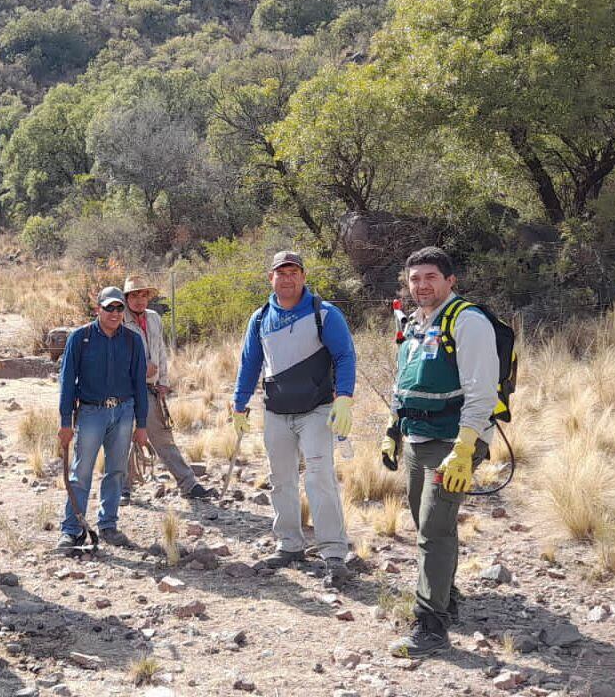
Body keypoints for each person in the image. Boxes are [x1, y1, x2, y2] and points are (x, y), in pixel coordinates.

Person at [384, 247, 497, 657]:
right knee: (427, 524)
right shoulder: (414, 323)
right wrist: (392, 430)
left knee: (433, 528)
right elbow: (404, 381)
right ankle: (447, 596)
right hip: (416, 438)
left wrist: (464, 449)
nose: (421, 285)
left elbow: (483, 390)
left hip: (454, 442)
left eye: (430, 276)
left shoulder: (468, 321)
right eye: (414, 279)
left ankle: (430, 627)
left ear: (451, 280)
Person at [232, 251, 356, 589]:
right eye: (280, 273)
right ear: (270, 278)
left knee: (319, 478)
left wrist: (344, 398)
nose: (287, 279)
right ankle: (289, 545)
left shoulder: (324, 314)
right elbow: (249, 364)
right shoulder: (259, 319)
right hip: (276, 411)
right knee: (281, 479)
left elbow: (345, 355)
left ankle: (333, 554)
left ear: (303, 276)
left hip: (317, 409)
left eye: (293, 272)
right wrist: (238, 404)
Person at [57, 287, 149, 549]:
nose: (115, 313)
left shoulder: (133, 340)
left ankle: (108, 525)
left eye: (120, 308)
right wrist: (65, 422)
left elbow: (139, 384)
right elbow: (67, 382)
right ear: (98, 308)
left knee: (117, 470)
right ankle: (72, 528)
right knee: (81, 471)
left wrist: (141, 424)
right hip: (90, 412)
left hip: (123, 411)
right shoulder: (80, 338)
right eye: (109, 308)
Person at [121, 275, 213, 501]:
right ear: (126, 298)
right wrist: (140, 369)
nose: (140, 300)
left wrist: (163, 380)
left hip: (150, 389)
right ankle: (122, 488)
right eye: (134, 295)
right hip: (125, 390)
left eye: (144, 295)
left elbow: (160, 351)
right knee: (122, 439)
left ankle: (188, 484)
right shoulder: (118, 319)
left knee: (162, 436)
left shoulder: (153, 318)